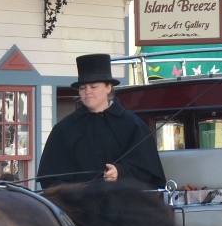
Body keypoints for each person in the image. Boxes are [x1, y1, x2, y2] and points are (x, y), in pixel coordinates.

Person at [38, 54, 165, 189]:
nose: (87, 92)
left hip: (123, 200)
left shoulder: (133, 125)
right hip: (77, 202)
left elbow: (148, 173)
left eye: (93, 87)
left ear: (108, 88)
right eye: (82, 88)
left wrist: (120, 172)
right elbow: (50, 179)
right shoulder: (64, 129)